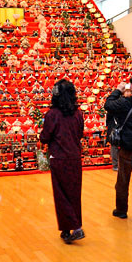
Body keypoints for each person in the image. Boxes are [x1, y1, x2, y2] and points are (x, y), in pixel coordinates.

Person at [39, 79, 85, 244]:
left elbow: (45, 137)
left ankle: (74, 227)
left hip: (58, 158)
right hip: (74, 157)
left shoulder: (52, 114)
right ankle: (68, 230)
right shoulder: (79, 113)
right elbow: (80, 134)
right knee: (74, 193)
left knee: (61, 195)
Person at [104, 73, 132, 223]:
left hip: (127, 145)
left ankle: (121, 210)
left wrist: (118, 90)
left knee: (123, 178)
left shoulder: (126, 101)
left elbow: (108, 104)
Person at [105, 84, 132, 172]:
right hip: (115, 127)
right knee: (114, 147)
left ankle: (124, 165)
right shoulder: (121, 102)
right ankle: (116, 165)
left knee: (120, 147)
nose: (128, 93)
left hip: (120, 127)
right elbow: (109, 116)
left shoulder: (119, 102)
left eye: (129, 91)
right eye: (126, 91)